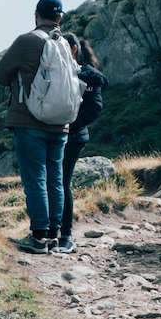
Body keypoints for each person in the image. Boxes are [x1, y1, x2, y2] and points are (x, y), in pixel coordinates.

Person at [0, 0, 78, 253]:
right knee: (55, 178)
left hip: (30, 122)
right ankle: (54, 235)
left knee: (35, 177)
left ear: (36, 15)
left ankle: (38, 237)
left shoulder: (27, 41)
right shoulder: (64, 43)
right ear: (60, 18)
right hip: (61, 123)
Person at [56, 37, 108, 250]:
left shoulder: (88, 75)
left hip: (73, 137)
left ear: (74, 49)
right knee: (54, 182)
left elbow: (94, 109)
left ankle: (66, 235)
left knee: (61, 182)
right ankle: (50, 231)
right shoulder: (58, 71)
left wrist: (69, 125)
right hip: (58, 135)